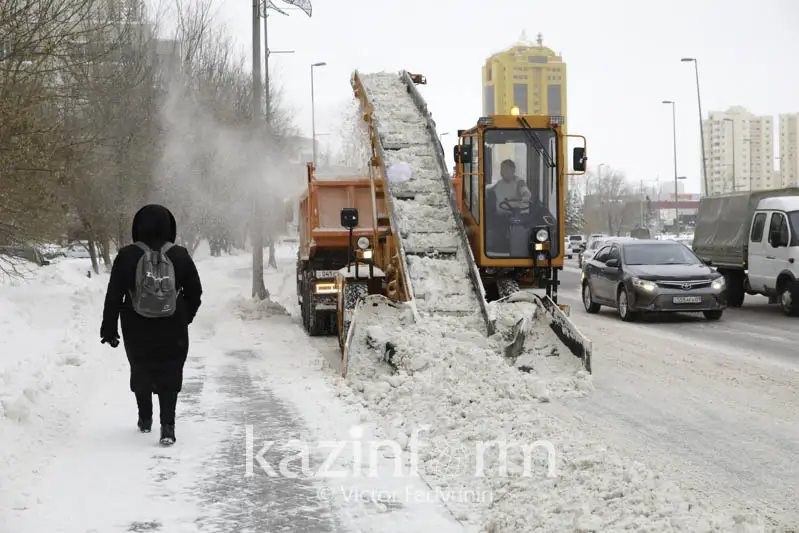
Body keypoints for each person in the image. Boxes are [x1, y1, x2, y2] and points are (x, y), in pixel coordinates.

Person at [100, 204, 202, 445]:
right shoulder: (180, 255)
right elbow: (195, 293)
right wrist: (183, 315)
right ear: (169, 226)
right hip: (173, 326)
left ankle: (145, 418)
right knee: (171, 372)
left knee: (141, 368)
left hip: (136, 326)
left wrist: (109, 327)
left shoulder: (126, 256)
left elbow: (114, 295)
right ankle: (168, 426)